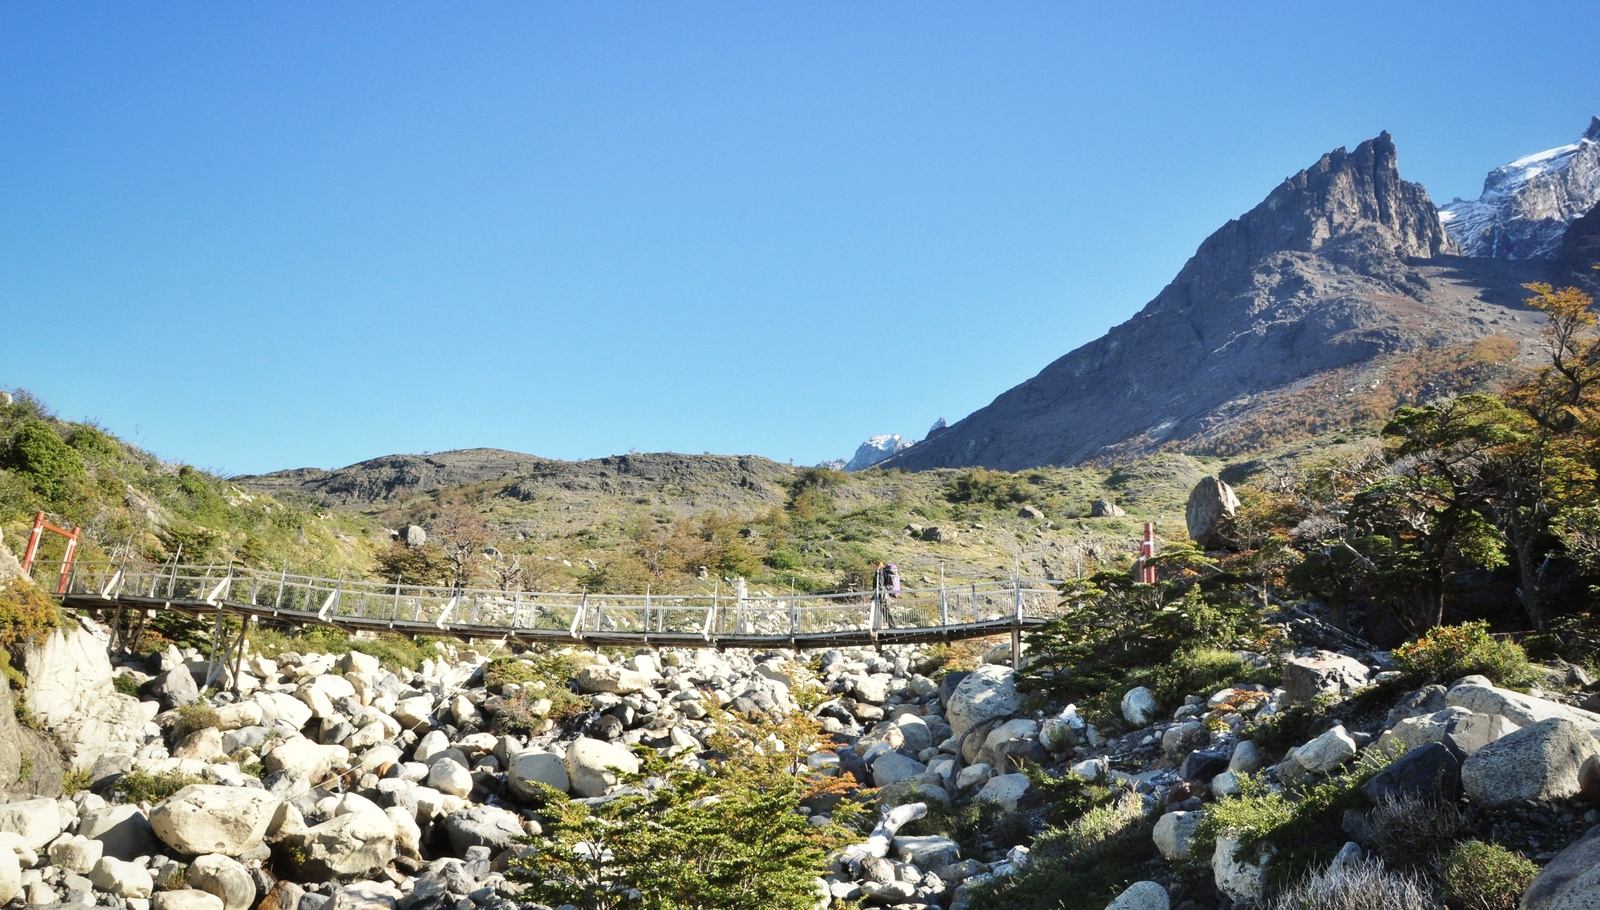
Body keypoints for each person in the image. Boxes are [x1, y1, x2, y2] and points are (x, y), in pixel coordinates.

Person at [873, 561, 901, 628]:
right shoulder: (881, 572)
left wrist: (879, 592)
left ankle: (892, 626)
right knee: (884, 611)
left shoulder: (880, 572)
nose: (873, 567)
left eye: (874, 565)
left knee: (885, 611)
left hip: (882, 596)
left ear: (878, 566)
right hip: (883, 595)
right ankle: (883, 626)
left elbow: (880, 584)